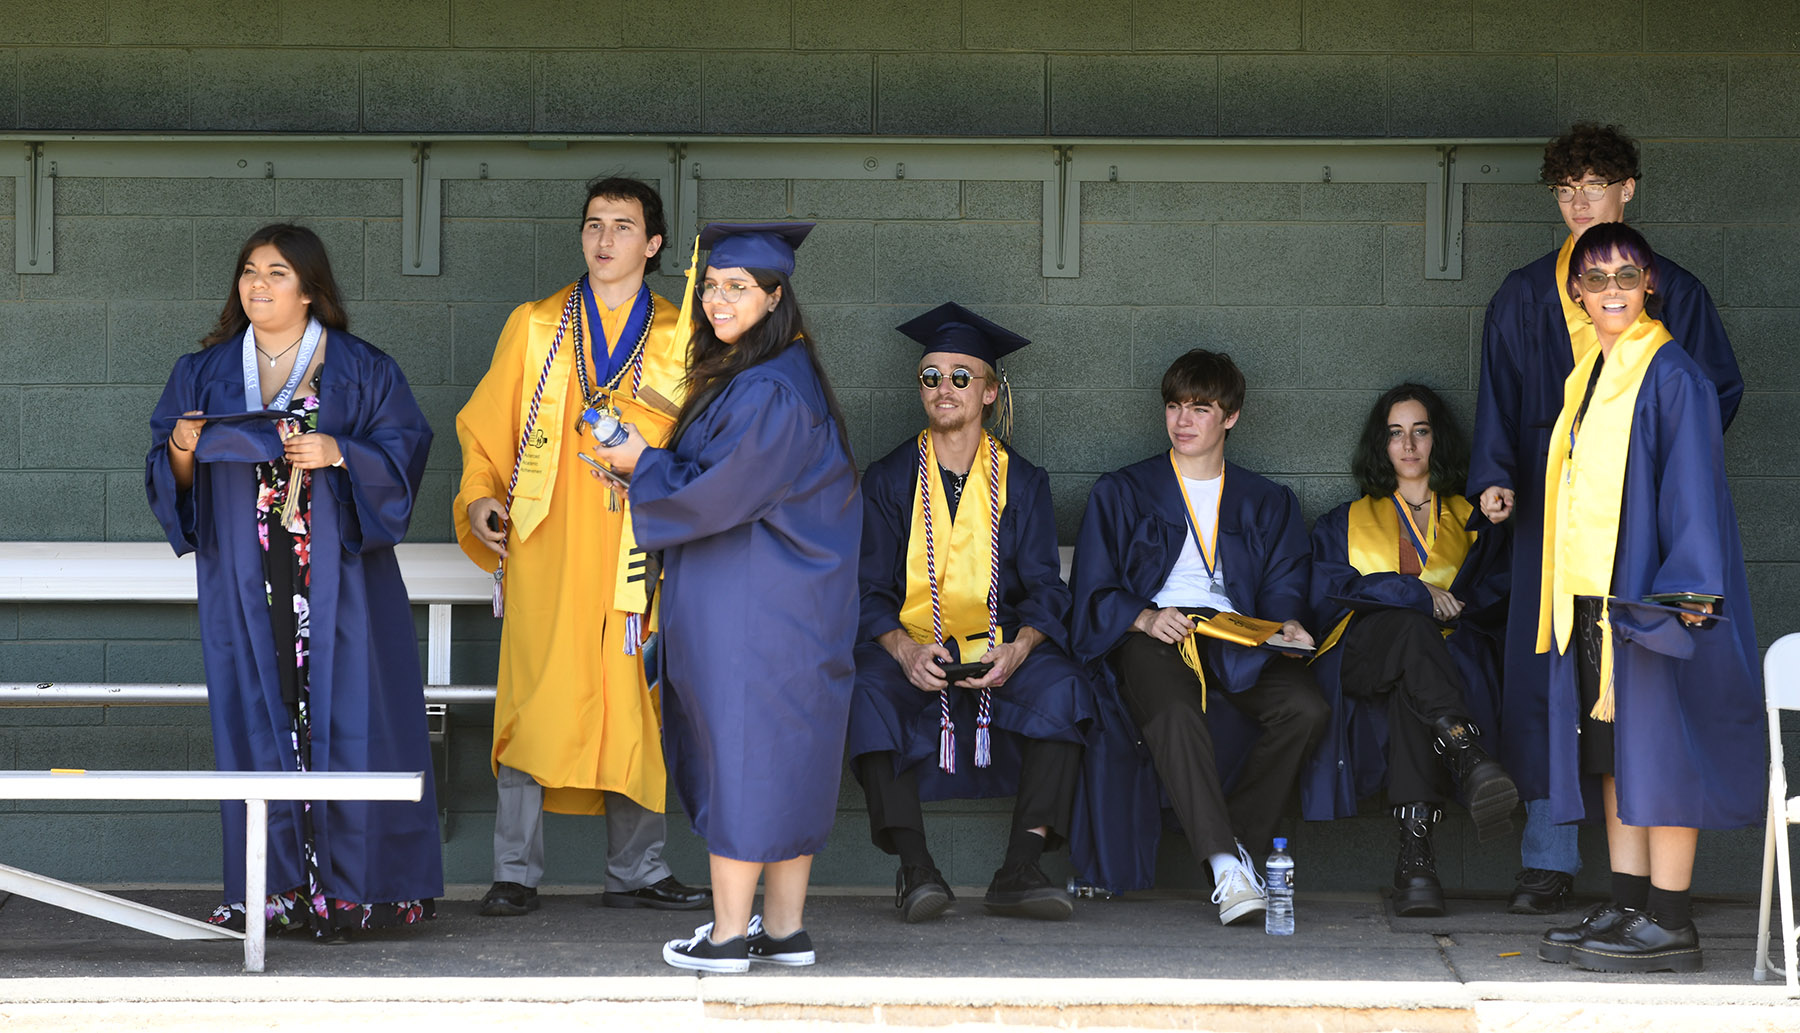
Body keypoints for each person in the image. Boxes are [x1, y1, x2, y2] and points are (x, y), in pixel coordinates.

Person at [1469, 122, 1743, 915]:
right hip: (1553, 528)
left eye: (1595, 184)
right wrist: (1495, 476)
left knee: (1641, 702)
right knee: (1555, 684)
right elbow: (1499, 395)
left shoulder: (1673, 296)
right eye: (1566, 188)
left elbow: (1711, 396)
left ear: (1629, 189)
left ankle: (1654, 904)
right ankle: (1552, 861)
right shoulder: (1526, 292)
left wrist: (1654, 468)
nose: (1580, 200)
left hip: (1646, 532)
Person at [146, 223, 441, 938]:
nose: (258, 285)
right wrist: (183, 447)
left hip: (338, 575)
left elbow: (403, 455)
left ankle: (360, 890)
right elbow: (169, 471)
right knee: (259, 712)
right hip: (245, 577)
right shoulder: (204, 371)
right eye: (249, 271)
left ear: (310, 288)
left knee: (355, 718)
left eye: (276, 273)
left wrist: (342, 451)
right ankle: (271, 889)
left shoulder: (363, 367)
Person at [591, 222, 860, 973]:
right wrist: (648, 470)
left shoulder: (770, 387)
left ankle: (729, 935)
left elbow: (718, 491)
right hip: (785, 609)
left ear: (776, 298)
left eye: (738, 287)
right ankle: (784, 929)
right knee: (785, 763)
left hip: (754, 611)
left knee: (742, 761)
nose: (717, 299)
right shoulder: (778, 376)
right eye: (710, 285)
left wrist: (642, 464)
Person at [453, 177, 708, 917]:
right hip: (549, 541)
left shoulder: (677, 337)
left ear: (653, 244)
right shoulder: (534, 325)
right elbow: (485, 428)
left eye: (623, 227)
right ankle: (513, 871)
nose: (604, 240)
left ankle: (640, 869)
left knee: (638, 697)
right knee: (534, 696)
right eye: (594, 224)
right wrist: (480, 499)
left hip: (639, 543)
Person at [1520, 222, 1763, 972]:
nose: (1614, 290)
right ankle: (1629, 901)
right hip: (1597, 594)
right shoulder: (1591, 371)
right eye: (1598, 279)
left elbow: (1693, 485)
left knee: (1662, 749)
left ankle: (1670, 917)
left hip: (1653, 595)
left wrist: (1685, 587)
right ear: (1578, 293)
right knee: (1615, 752)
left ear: (1649, 284)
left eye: (1628, 276)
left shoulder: (1672, 373)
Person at [848, 303, 1093, 924]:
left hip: (997, 651)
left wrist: (1020, 647)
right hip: (914, 649)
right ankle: (916, 869)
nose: (943, 388)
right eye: (931, 375)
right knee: (862, 689)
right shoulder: (889, 478)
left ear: (988, 391)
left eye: (961, 376)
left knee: (1065, 686)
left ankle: (1020, 868)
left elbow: (1045, 588)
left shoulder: (1023, 480)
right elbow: (868, 588)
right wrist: (902, 651)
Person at [1069, 349, 1329, 925]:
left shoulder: (1267, 500)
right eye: (1173, 406)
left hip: (1234, 636)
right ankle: (1225, 868)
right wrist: (1140, 616)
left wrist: (1284, 622)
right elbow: (1092, 585)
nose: (1182, 421)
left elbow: (1286, 578)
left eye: (1200, 408)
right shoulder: (1125, 491)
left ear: (1230, 417)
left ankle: (1239, 841)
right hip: (1157, 632)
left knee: (1305, 708)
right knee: (1173, 708)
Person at [1304, 384, 1516, 916]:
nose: (1408, 444)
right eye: (1395, 433)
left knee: (1413, 681)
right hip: (1361, 652)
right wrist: (1415, 593)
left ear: (1436, 439)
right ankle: (1465, 753)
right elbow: (1330, 590)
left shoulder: (1474, 520)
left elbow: (1499, 590)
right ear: (1381, 444)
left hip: (1435, 663)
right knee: (1409, 630)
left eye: (1420, 430)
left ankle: (1416, 862)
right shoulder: (1343, 521)